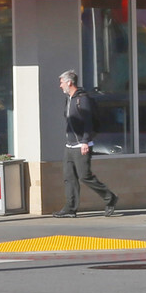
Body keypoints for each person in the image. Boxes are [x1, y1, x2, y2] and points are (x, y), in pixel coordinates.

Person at [54, 71, 119, 218]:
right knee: (69, 177)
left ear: (69, 82)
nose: (60, 85)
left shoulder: (83, 100)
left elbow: (88, 122)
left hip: (82, 145)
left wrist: (85, 141)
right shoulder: (69, 99)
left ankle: (110, 198)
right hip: (70, 145)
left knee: (84, 176)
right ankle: (70, 208)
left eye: (62, 82)